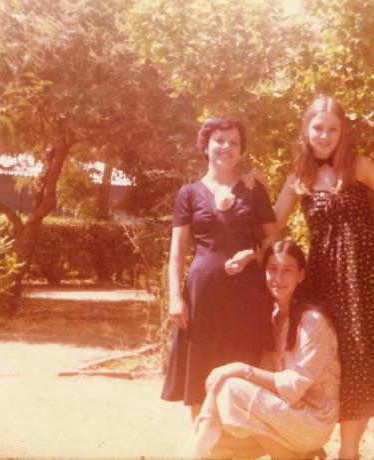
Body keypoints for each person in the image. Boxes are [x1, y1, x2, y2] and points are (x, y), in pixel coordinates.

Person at [264, 95, 374, 459]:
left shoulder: (359, 166)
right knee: (325, 360)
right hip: (325, 280)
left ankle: (348, 452)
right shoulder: (299, 178)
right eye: (318, 128)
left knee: (360, 363)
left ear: (342, 133)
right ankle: (312, 441)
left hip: (369, 280)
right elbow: (271, 229)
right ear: (306, 131)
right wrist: (249, 247)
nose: (324, 136)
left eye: (332, 130)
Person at [161, 116, 279, 422]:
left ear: (241, 150)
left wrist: (252, 256)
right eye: (219, 141)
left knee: (241, 365)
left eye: (233, 142)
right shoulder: (189, 193)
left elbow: (274, 238)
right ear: (206, 145)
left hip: (245, 294)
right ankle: (201, 438)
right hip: (202, 295)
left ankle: (236, 441)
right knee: (200, 366)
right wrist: (175, 297)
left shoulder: (253, 190)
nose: (226, 147)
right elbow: (177, 251)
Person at [182, 240, 340, 459]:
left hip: (312, 422)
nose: (278, 278)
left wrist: (240, 369)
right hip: (285, 414)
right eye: (272, 269)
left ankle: (295, 454)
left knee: (230, 389)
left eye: (287, 271)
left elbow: (293, 386)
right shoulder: (273, 316)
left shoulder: (312, 322)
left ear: (301, 275)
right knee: (218, 444)